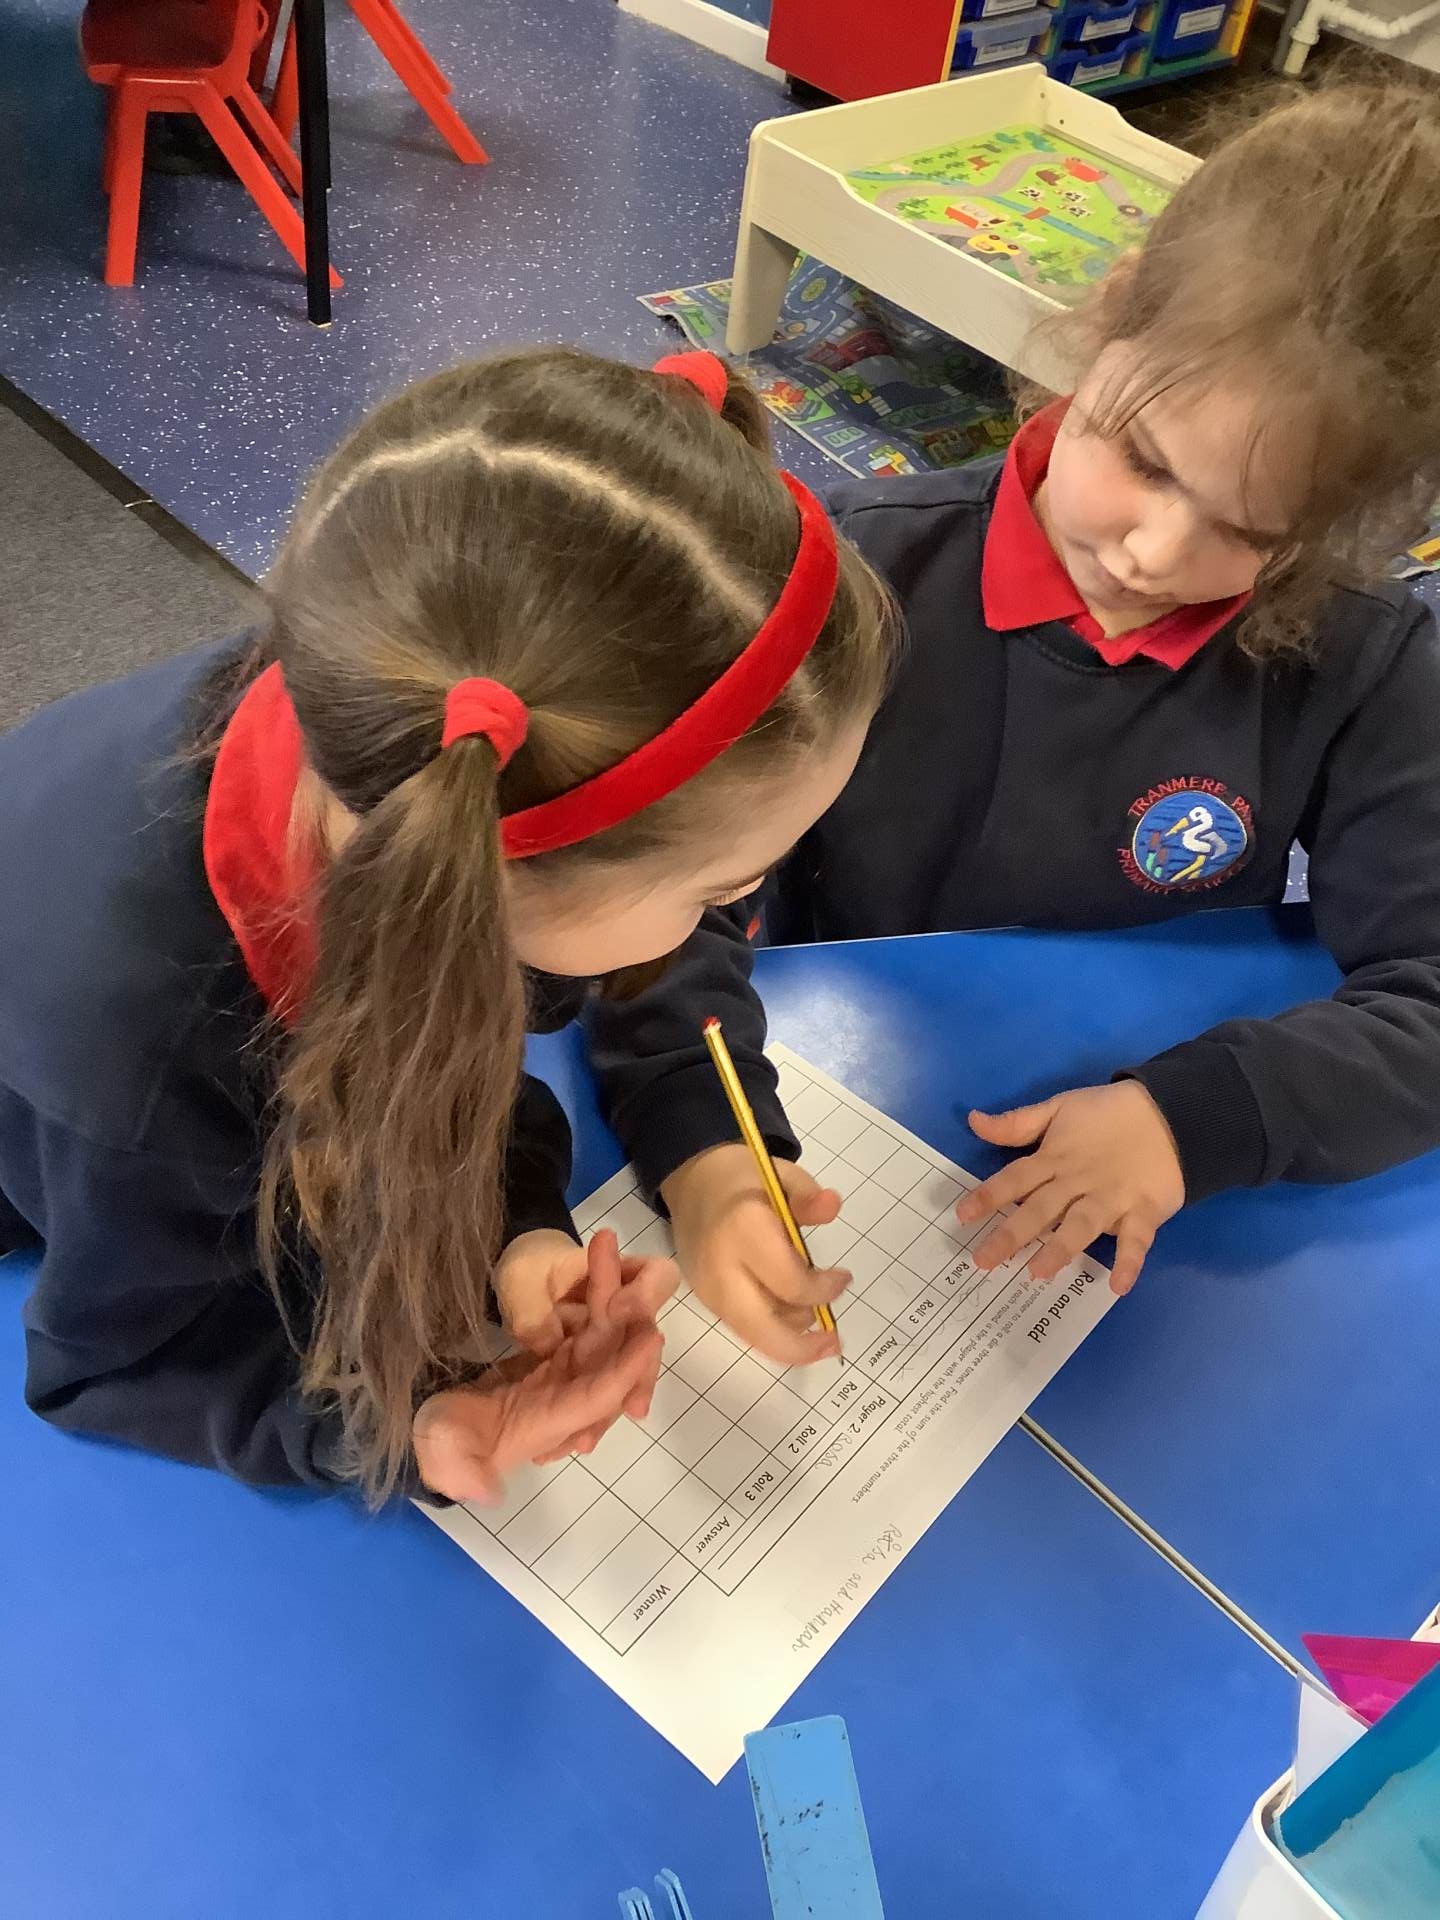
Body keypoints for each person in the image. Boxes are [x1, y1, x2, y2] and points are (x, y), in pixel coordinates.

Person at [587, 81, 1440, 1343]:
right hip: (829, 1083)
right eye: (1143, 461)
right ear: (1111, 318)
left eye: (1253, 532)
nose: (1154, 553)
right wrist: (706, 1146)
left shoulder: (1363, 654)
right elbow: (664, 898)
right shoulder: (849, 578)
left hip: (1151, 1177)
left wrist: (1195, 1120)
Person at [0, 347, 895, 1505]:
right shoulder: (148, 1057)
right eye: (721, 885)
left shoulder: (415, 726)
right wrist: (411, 1428)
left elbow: (439, 1040)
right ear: (505, 887)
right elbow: (124, 1362)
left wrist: (511, 1233)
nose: (740, 913)